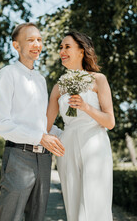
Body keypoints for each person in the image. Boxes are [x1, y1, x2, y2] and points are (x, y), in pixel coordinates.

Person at [0, 22, 65, 221]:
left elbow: (42, 123)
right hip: (19, 157)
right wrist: (40, 137)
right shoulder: (8, 74)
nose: (36, 44)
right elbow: (0, 123)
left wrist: (70, 134)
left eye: (39, 40)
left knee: (37, 217)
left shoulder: (41, 80)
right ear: (16, 46)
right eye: (30, 40)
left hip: (44, 159)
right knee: (11, 217)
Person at [47, 31, 115, 221]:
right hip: (67, 147)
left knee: (95, 203)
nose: (62, 51)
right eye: (60, 47)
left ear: (81, 51)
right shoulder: (58, 87)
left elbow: (110, 122)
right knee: (73, 205)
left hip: (95, 144)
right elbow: (46, 125)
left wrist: (85, 107)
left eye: (67, 46)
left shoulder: (98, 80)